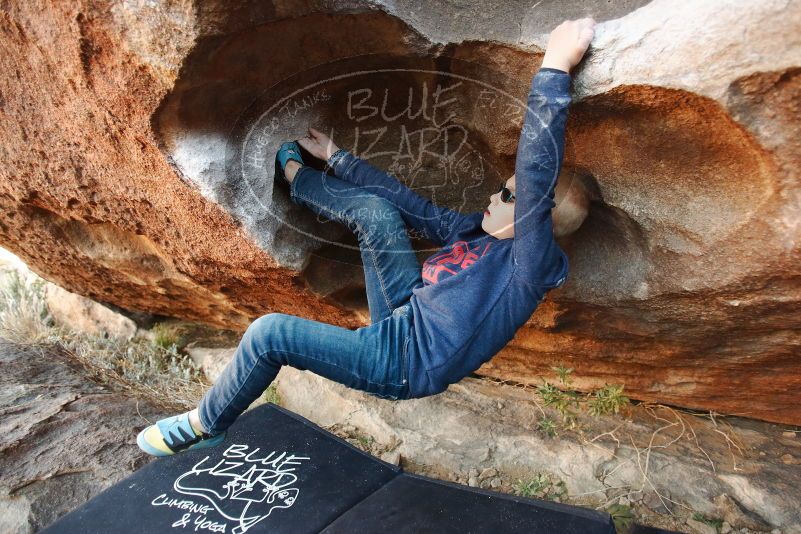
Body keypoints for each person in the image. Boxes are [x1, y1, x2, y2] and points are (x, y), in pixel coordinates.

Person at [137, 17, 596, 456]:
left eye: (509, 196)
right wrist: (338, 158)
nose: (495, 195)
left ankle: (204, 426)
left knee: (268, 334)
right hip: (402, 311)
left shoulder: (527, 267)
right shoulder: (472, 231)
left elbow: (536, 179)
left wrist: (555, 67)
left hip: (403, 364)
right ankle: (298, 179)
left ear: (537, 220)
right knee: (378, 212)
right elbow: (408, 203)